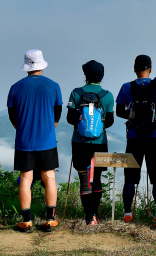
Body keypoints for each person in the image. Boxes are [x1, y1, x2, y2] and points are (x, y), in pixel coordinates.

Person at [115, 35, 156, 227]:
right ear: (150, 69)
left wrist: (132, 118)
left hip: (133, 138)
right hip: (153, 137)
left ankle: (127, 214)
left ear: (134, 69)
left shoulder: (126, 87)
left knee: (130, 178)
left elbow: (118, 111)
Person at [8, 50, 63, 233]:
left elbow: (13, 118)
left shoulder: (15, 87)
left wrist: (24, 129)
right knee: (49, 176)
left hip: (24, 140)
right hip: (47, 141)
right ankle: (50, 219)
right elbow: (56, 116)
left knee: (25, 178)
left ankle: (26, 221)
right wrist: (47, 128)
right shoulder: (54, 86)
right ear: (42, 64)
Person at [66, 60, 114, 225]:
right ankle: (95, 214)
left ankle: (88, 218)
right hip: (100, 142)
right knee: (98, 177)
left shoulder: (76, 93)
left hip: (80, 142)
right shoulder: (107, 96)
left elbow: (70, 119)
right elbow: (109, 122)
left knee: (84, 179)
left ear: (85, 75)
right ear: (101, 76)